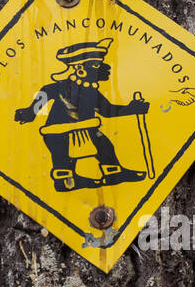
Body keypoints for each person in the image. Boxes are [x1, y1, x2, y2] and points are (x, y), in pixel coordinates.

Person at [14, 37, 150, 191]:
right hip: (58, 132)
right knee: (62, 157)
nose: (103, 68)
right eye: (96, 65)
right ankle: (65, 181)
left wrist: (133, 108)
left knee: (105, 146)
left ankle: (113, 174)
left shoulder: (91, 90)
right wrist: (28, 114)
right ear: (80, 68)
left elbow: (107, 110)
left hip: (88, 130)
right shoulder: (58, 88)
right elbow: (44, 94)